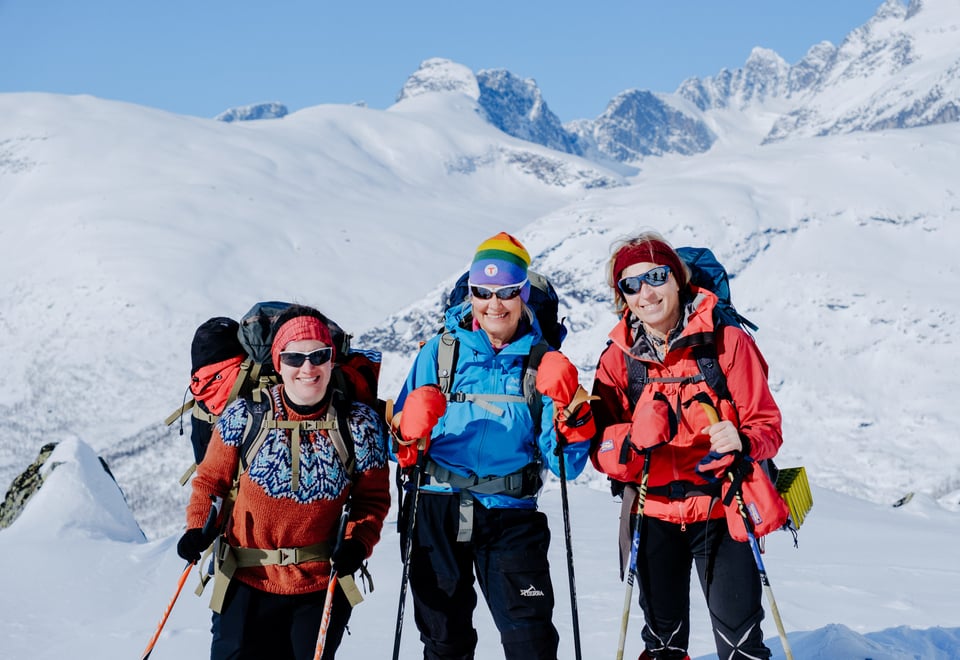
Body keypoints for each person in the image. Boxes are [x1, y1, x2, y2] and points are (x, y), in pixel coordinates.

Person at [391, 232, 596, 660]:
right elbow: (400, 446)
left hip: (510, 516)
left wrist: (569, 413)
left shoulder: (542, 362)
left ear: (522, 292)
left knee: (531, 641)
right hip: (435, 509)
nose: (493, 304)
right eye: (482, 293)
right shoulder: (439, 353)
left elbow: (565, 465)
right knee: (444, 641)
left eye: (505, 292)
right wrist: (407, 432)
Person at [589, 232, 783, 660]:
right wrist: (632, 440)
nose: (646, 292)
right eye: (631, 284)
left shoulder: (726, 341)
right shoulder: (618, 358)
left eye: (656, 276)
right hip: (652, 515)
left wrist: (743, 439)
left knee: (740, 647)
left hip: (720, 511)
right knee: (661, 648)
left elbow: (767, 425)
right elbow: (600, 451)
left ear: (677, 279)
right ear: (622, 296)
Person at [177, 304, 391, 659]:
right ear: (278, 362)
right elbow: (211, 482)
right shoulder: (245, 414)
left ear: (331, 359)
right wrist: (198, 527)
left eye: (319, 355)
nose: (307, 368)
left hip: (321, 583)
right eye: (295, 358)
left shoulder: (359, 425)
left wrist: (358, 542)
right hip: (246, 580)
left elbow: (372, 500)